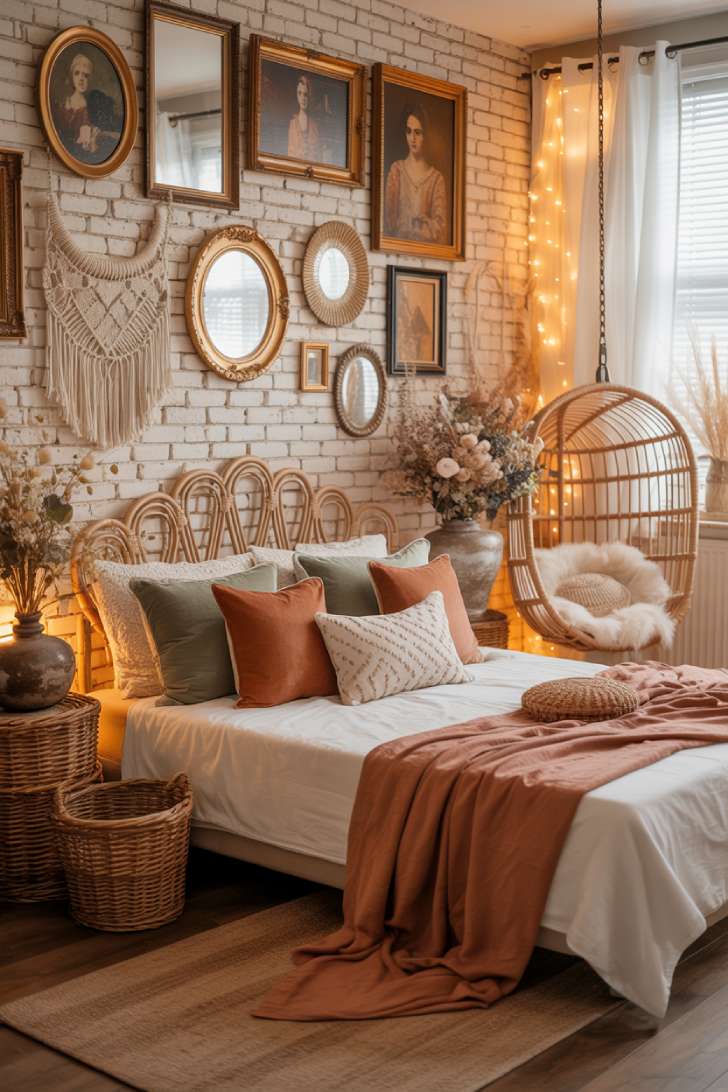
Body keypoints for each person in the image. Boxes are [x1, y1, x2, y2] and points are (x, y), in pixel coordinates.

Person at [384, 102, 448, 244]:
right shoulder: (397, 171)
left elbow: (440, 232)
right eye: (409, 131)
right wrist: (422, 224)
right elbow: (389, 224)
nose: (412, 138)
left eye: (418, 133)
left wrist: (422, 227)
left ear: (426, 135)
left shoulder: (436, 179)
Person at [54, 51, 121, 165]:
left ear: (90, 80)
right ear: (71, 76)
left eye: (86, 75)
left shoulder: (92, 106)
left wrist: (95, 139)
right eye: (77, 73)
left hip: (79, 158)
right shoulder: (63, 103)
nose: (81, 79)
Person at [287, 74, 321, 162]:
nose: (303, 98)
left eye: (305, 94)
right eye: (300, 93)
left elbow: (317, 156)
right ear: (296, 95)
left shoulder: (315, 125)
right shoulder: (292, 123)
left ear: (309, 96)